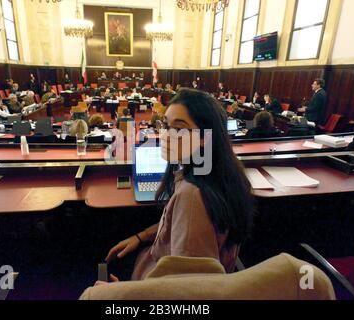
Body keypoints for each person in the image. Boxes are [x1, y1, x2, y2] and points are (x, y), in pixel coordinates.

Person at [103, 88, 254, 282]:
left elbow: (187, 288)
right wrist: (141, 236)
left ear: (203, 138)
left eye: (178, 128)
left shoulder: (192, 196)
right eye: (165, 125)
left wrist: (122, 295)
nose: (166, 135)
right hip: (153, 263)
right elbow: (178, 225)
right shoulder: (215, 173)